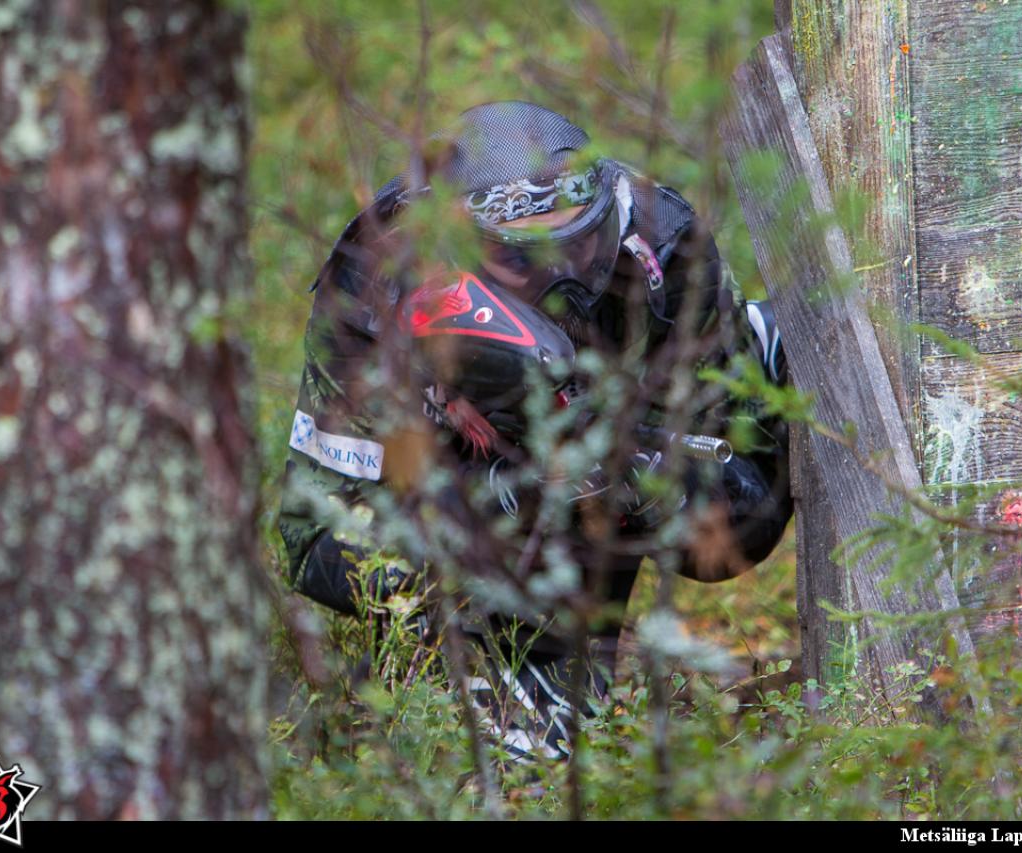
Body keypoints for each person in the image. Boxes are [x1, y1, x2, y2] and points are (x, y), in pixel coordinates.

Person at [277, 101, 793, 761]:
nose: (563, 278)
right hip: (466, 510)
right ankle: (504, 664)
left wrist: (646, 473)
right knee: (525, 756)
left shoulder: (659, 245)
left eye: (578, 243)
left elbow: (744, 517)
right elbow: (315, 540)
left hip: (628, 458)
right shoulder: (377, 288)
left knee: (735, 500)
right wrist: (502, 498)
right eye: (527, 258)